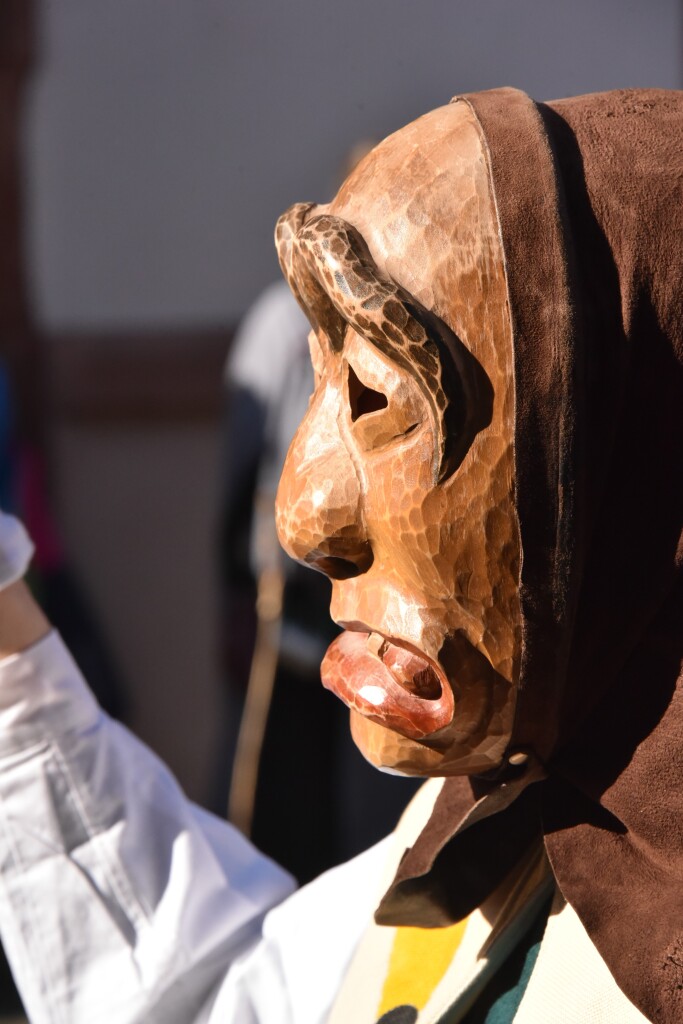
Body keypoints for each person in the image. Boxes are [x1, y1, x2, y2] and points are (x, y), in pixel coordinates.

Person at [0, 85, 681, 1024]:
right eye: (324, 379)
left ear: (632, 460)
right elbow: (229, 993)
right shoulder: (494, 826)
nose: (306, 516)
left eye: (375, 395)